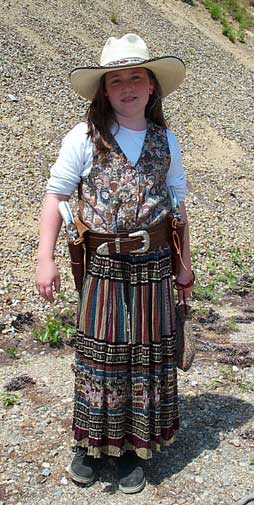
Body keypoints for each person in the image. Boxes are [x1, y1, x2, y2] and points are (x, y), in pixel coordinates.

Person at [36, 33, 194, 494]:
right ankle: (89, 445)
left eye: (136, 77)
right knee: (101, 357)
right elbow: (56, 196)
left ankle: (130, 449)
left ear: (151, 87)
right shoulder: (83, 137)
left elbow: (178, 205)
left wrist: (186, 265)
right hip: (103, 267)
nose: (127, 86)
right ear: (105, 90)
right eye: (117, 79)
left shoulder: (167, 141)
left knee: (144, 357)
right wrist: (44, 258)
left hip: (155, 264)